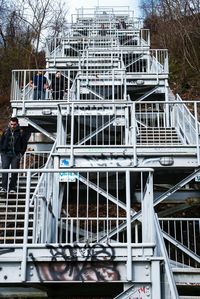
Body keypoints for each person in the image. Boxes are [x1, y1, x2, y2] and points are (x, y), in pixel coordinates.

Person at [0, 117, 28, 193]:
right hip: (5, 154)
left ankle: (12, 187)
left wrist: (21, 154)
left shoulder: (21, 132)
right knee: (4, 169)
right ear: (9, 123)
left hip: (16, 155)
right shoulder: (6, 131)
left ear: (17, 124)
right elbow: (1, 141)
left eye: (14, 124)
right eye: (11, 124)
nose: (12, 126)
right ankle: (4, 187)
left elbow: (24, 144)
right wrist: (2, 151)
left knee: (14, 171)